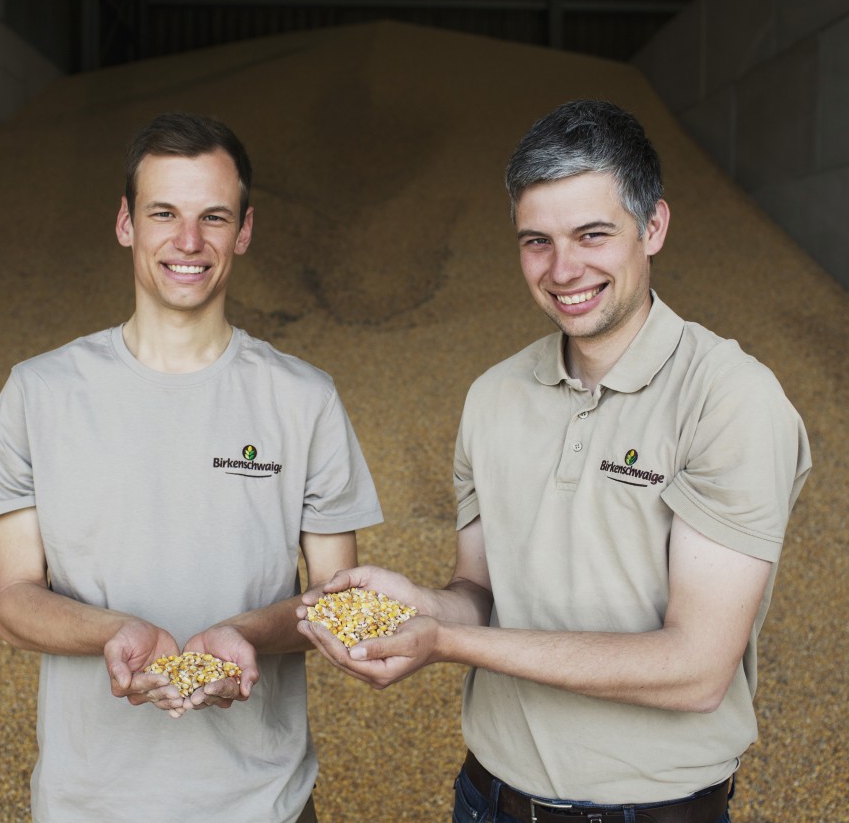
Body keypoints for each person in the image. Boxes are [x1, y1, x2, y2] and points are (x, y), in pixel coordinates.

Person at [298, 100, 811, 823]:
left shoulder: (728, 398)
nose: (562, 268)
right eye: (536, 240)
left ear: (654, 226)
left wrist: (448, 642)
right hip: (489, 798)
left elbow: (696, 669)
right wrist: (421, 605)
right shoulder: (492, 397)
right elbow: (479, 589)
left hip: (650, 810)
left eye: (591, 234)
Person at [0, 113, 382, 823]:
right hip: (88, 805)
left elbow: (340, 603)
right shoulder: (39, 393)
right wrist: (114, 632)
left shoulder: (305, 398)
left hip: (265, 804)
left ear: (244, 231)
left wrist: (246, 634)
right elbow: (11, 601)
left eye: (213, 217)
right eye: (164, 213)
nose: (188, 242)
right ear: (126, 223)